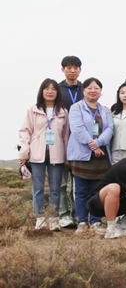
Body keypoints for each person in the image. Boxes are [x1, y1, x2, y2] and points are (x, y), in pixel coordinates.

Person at [18, 79, 69, 231]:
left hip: (57, 153)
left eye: (53, 89)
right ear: (41, 91)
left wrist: (67, 156)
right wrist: (24, 152)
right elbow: (25, 131)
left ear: (57, 92)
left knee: (55, 188)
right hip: (36, 153)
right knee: (38, 188)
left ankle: (53, 218)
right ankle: (39, 218)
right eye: (47, 88)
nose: (50, 91)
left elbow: (66, 135)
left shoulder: (63, 112)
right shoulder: (33, 110)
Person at [66, 77, 114, 234]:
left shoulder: (105, 110)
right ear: (84, 90)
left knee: (97, 191)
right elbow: (77, 128)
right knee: (80, 191)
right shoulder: (76, 108)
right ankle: (82, 221)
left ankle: (96, 221)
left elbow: (110, 128)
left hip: (100, 157)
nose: (93, 91)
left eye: (96, 88)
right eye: (89, 88)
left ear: (101, 91)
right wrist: (92, 145)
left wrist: (98, 143)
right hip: (81, 155)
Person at [58, 55, 82, 228]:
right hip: (60, 140)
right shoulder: (57, 89)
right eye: (69, 67)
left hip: (80, 142)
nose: (72, 71)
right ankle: (63, 214)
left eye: (76, 67)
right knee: (61, 182)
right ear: (63, 69)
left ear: (80, 70)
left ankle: (77, 214)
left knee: (78, 182)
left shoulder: (85, 88)